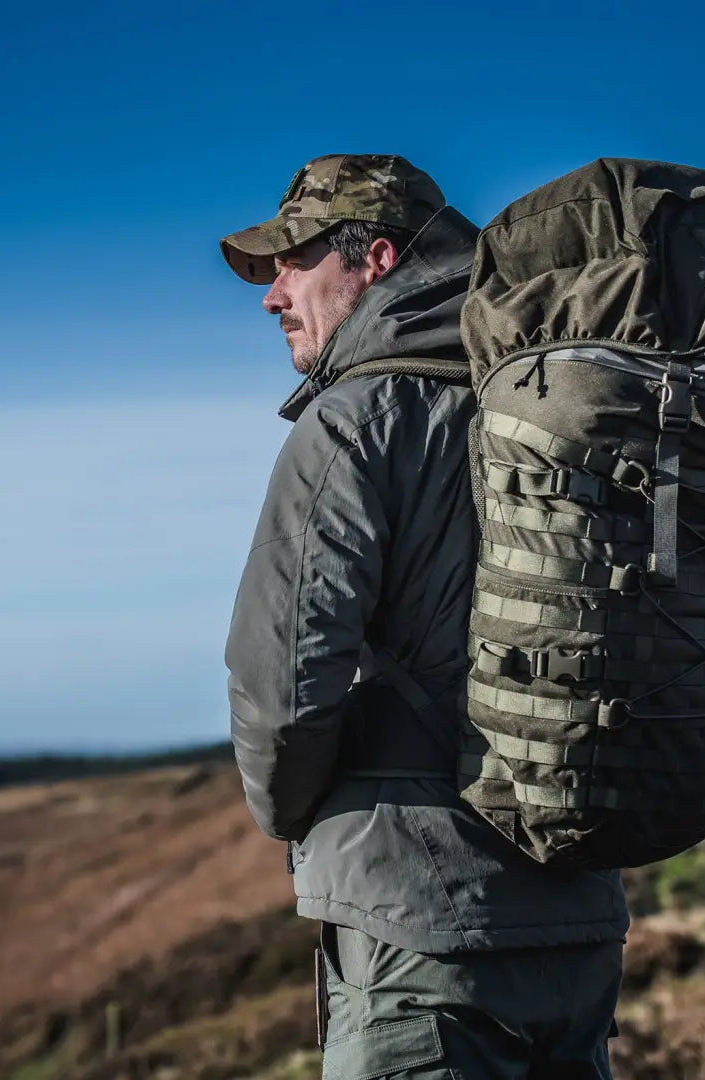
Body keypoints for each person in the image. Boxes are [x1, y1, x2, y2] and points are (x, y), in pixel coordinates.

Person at [221, 154, 629, 1080]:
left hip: (418, 925)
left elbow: (280, 677)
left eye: (295, 261)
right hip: (579, 912)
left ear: (373, 258)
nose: (272, 295)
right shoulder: (555, 402)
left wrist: (296, 818)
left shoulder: (359, 417)